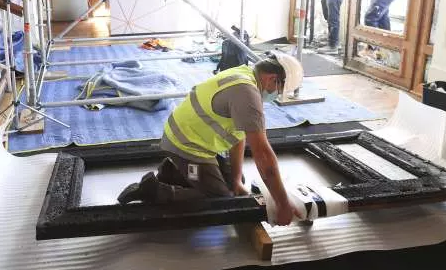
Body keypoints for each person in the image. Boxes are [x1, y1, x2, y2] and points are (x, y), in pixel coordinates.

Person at [117, 52, 305, 226]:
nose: (275, 95)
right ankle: (154, 190)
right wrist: (283, 204)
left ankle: (172, 171)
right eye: (278, 91)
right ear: (272, 79)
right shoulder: (247, 94)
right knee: (221, 202)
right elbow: (263, 156)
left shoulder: (245, 74)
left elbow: (238, 138)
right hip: (186, 146)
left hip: (190, 140)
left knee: (232, 184)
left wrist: (237, 180)